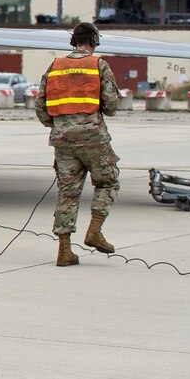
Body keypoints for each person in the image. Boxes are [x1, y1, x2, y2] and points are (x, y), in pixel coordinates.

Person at [32, 22, 120, 266]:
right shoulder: (98, 65)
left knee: (67, 193)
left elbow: (40, 104)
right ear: (94, 41)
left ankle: (64, 251)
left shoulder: (55, 66)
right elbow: (111, 107)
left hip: (62, 139)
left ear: (73, 41)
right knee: (108, 181)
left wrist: (59, 125)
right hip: (93, 138)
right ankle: (94, 231)